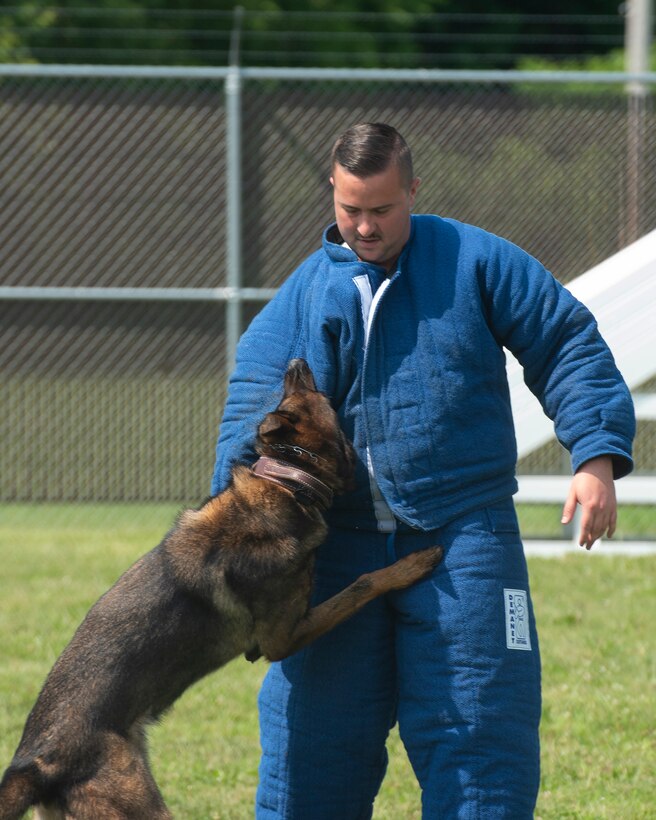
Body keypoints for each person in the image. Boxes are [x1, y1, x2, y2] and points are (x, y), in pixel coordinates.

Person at [211, 123, 635, 818]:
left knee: (481, 740)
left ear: (412, 189)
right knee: (309, 752)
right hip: (334, 547)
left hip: (465, 538)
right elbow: (252, 403)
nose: (365, 226)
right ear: (333, 192)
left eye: (382, 208)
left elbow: (565, 343)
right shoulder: (308, 292)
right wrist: (233, 536)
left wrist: (594, 455)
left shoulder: (474, 260)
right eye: (351, 209)